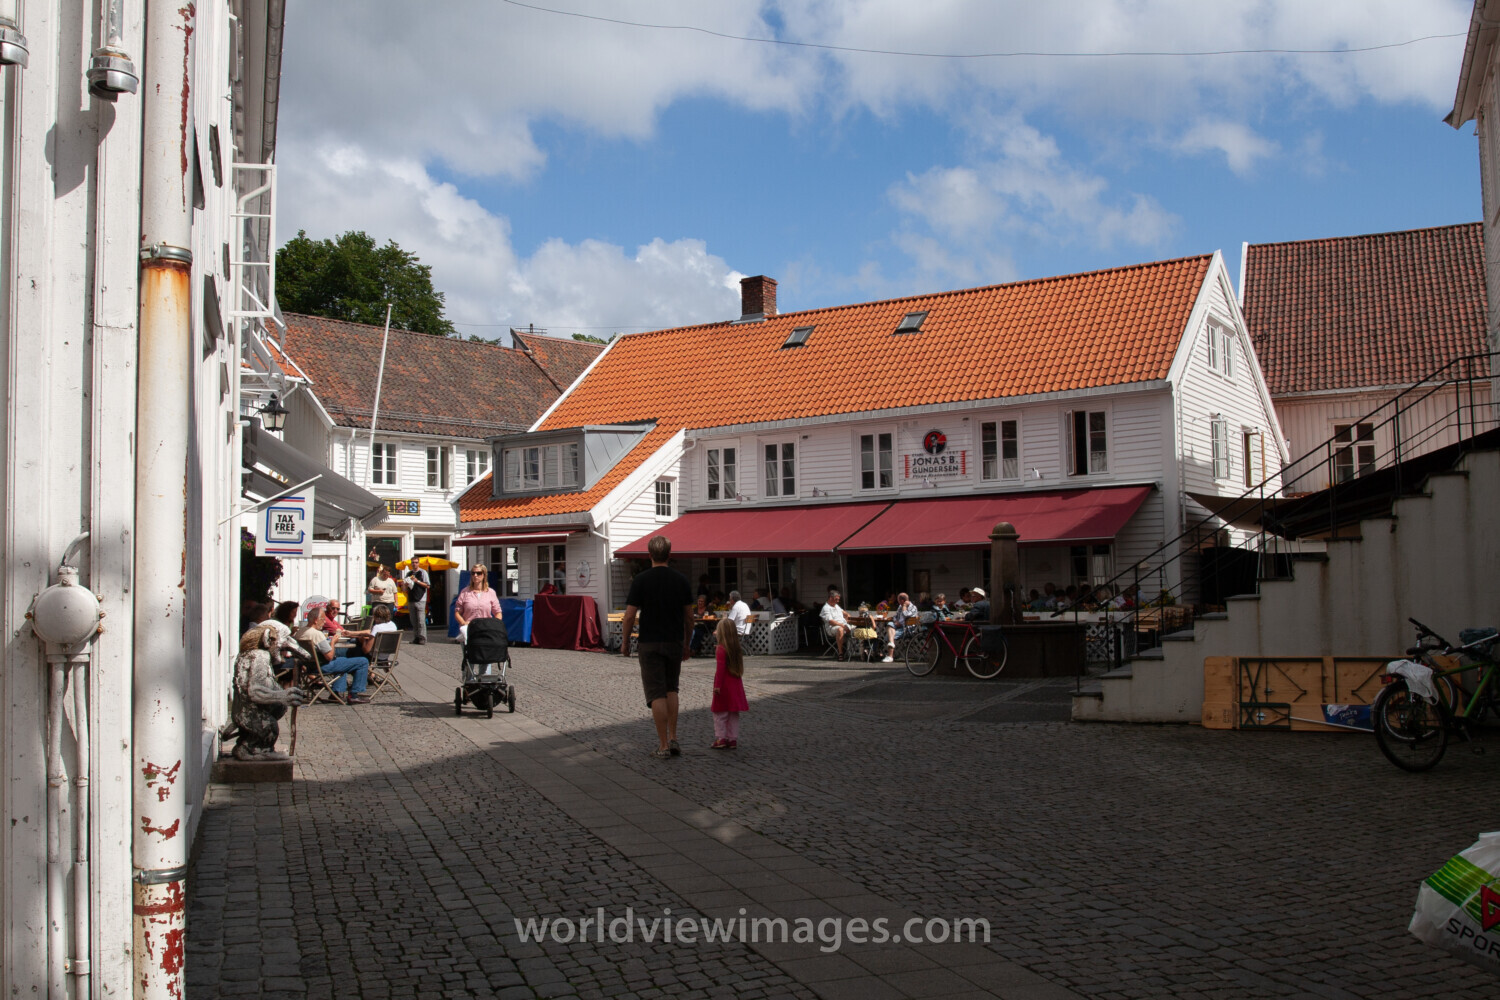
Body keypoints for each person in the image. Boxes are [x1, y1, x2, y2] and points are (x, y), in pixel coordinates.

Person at [621, 535, 693, 759]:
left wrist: (625, 642)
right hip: (673, 641)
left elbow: (630, 616)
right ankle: (674, 737)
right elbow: (689, 617)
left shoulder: (641, 580)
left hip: (649, 642)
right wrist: (687, 642)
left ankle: (662, 745)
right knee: (672, 688)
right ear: (670, 554)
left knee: (656, 693)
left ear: (649, 554)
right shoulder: (681, 580)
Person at [295, 606, 371, 704]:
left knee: (342, 660)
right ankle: (354, 694)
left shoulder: (300, 632)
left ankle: (336, 692)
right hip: (323, 666)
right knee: (363, 661)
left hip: (309, 665)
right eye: (322, 619)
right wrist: (333, 642)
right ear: (315, 620)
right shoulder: (316, 634)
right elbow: (329, 656)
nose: (324, 622)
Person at [710, 618, 749, 750]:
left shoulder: (721, 649)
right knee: (733, 713)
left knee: (720, 713)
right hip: (735, 684)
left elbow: (720, 670)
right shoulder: (736, 648)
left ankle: (721, 738)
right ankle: (732, 739)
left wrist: (717, 686)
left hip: (724, 685)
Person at [454, 564, 502, 644]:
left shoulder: (490, 592)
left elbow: (498, 612)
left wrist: (493, 625)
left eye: (478, 573)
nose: (475, 575)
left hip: (485, 631)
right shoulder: (465, 592)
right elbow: (457, 612)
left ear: (484, 575)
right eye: (473, 573)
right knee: (469, 655)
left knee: (484, 655)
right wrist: (463, 623)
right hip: (469, 631)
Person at [881, 592, 919, 662]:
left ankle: (890, 656)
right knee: (890, 624)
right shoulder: (900, 607)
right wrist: (896, 622)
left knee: (889, 636)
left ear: (902, 601)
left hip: (907, 629)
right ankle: (891, 645)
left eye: (898, 600)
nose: (897, 602)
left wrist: (904, 607)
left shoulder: (913, 607)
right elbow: (896, 616)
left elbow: (906, 615)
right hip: (898, 626)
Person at [403, 560, 431, 644]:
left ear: (418, 563)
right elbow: (404, 589)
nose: (414, 564)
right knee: (413, 621)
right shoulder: (408, 573)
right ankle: (416, 638)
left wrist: (417, 581)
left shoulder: (423, 572)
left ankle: (422, 638)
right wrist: (405, 585)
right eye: (413, 562)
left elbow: (427, 586)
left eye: (416, 562)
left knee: (421, 620)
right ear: (411, 564)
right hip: (411, 599)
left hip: (421, 599)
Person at [820, 589, 852, 660]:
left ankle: (861, 652)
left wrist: (847, 619)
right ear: (831, 598)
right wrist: (843, 626)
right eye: (836, 599)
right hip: (832, 627)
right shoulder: (826, 608)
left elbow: (846, 614)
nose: (838, 601)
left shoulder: (836, 606)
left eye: (838, 599)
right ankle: (841, 653)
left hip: (843, 625)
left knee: (860, 628)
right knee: (840, 629)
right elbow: (831, 621)